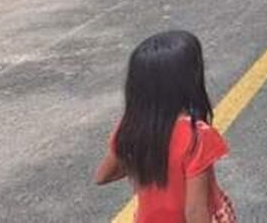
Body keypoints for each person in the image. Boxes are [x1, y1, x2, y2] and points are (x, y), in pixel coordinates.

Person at [95, 31, 233, 222]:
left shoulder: (130, 126)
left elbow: (103, 176)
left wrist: (146, 161)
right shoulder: (196, 136)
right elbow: (194, 211)